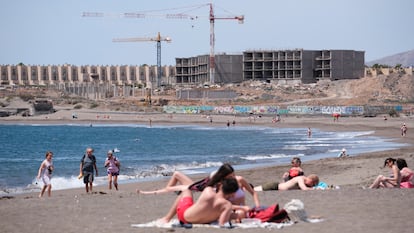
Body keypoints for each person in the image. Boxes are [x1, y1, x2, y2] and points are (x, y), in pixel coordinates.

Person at [155, 163, 260, 223]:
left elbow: (220, 206)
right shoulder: (215, 189)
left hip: (216, 212)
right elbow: (220, 204)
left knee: (239, 213)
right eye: (230, 176)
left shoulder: (236, 181)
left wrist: (255, 207)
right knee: (187, 191)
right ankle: (167, 218)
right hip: (219, 210)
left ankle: (167, 218)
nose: (232, 177)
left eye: (233, 175)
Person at [169, 177, 239, 227]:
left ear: (221, 186)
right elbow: (222, 223)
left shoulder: (208, 190)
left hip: (184, 216)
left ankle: (167, 218)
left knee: (186, 191)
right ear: (232, 193)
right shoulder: (227, 205)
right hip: (202, 221)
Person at [254, 174, 319, 191]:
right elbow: (304, 188)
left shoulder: (304, 181)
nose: (312, 186)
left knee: (253, 190)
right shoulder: (300, 178)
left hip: (277, 188)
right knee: (253, 190)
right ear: (311, 180)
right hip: (275, 186)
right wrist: (314, 189)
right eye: (313, 184)